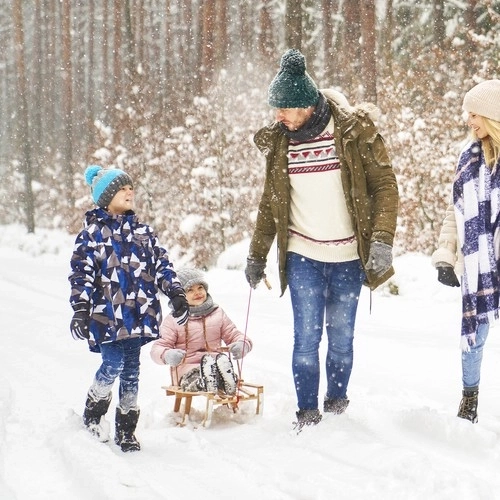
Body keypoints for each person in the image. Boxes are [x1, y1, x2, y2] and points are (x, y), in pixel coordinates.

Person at [244, 48, 399, 429]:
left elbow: (385, 187)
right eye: (275, 110)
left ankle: (337, 404)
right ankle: (307, 412)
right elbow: (271, 203)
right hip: (303, 256)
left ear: (307, 106)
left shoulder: (352, 134)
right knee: (305, 340)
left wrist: (381, 239)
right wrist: (256, 255)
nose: (278, 117)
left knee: (342, 339)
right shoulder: (281, 143)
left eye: (285, 109)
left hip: (348, 255)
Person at [68, 165, 189, 452]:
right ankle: (94, 412)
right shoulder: (92, 235)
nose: (129, 192)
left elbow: (162, 265)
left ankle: (126, 429)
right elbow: (81, 274)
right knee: (113, 363)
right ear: (106, 196)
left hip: (138, 313)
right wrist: (81, 308)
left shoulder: (144, 233)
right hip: (105, 314)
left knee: (132, 370)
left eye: (131, 187)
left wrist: (176, 293)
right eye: (122, 188)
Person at [432, 79, 500, 424]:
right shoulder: (468, 157)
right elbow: (454, 212)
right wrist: (445, 254)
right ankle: (469, 398)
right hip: (477, 265)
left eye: (474, 113)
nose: (468, 120)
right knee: (475, 338)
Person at [151, 268, 253, 396]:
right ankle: (203, 382)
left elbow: (233, 333)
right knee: (193, 378)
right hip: (187, 368)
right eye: (190, 290)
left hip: (216, 363)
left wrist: (242, 344)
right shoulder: (174, 320)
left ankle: (225, 379)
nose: (197, 293)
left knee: (218, 371)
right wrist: (167, 355)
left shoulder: (217, 313)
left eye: (200, 287)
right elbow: (158, 347)